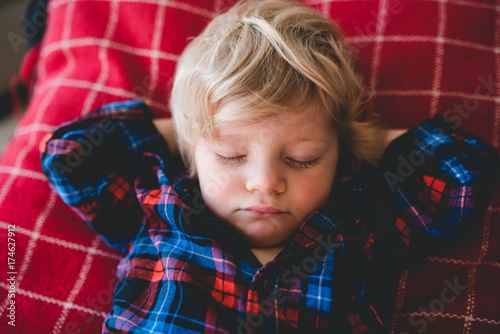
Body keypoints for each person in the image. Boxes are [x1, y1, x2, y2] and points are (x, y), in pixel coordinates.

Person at [40, 0, 500, 332]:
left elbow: (466, 172)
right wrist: (190, 127)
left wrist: (359, 138)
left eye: (303, 158)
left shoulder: (363, 215)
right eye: (231, 155)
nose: (264, 183)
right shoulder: (162, 207)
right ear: (193, 156)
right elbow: (69, 156)